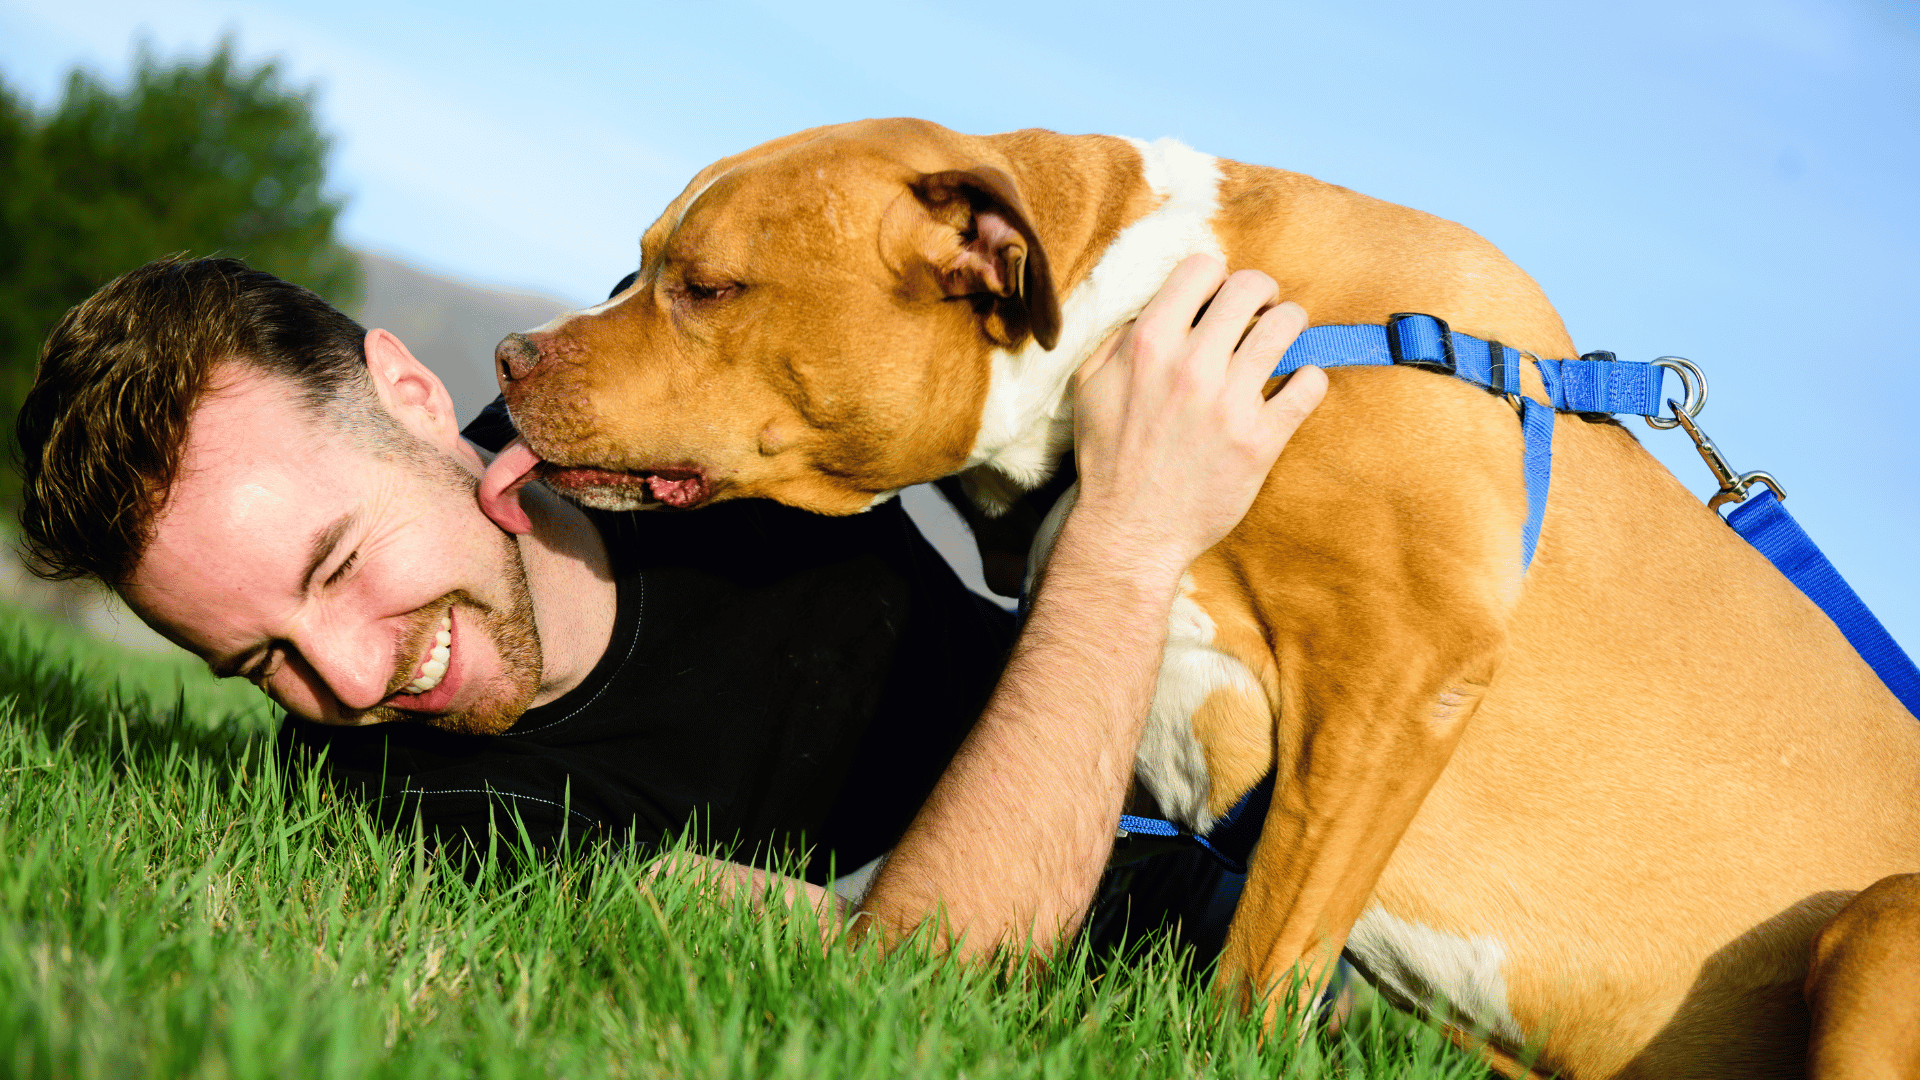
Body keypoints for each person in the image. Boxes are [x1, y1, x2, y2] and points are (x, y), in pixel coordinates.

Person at [15, 252, 1324, 962]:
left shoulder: (691, 407)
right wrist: (1132, 539)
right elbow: (925, 963)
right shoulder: (412, 811)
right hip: (1230, 933)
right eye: (264, 663)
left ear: (412, 397)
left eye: (338, 564)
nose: (353, 684)